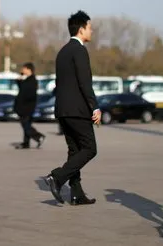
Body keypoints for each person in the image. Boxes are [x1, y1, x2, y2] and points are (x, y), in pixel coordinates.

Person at [44, 11, 101, 205]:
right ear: (82, 28)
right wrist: (95, 107)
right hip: (78, 111)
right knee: (90, 149)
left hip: (63, 110)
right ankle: (57, 177)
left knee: (75, 151)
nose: (92, 31)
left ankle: (76, 194)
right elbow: (85, 83)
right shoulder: (79, 50)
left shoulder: (63, 51)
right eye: (90, 27)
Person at [14, 62, 45, 149]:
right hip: (24, 107)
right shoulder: (27, 80)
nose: (22, 70)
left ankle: (39, 136)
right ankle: (26, 143)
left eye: (24, 69)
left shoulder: (32, 81)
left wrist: (23, 102)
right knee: (26, 125)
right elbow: (21, 88)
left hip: (27, 107)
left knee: (26, 125)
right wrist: (19, 80)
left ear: (29, 69)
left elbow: (29, 95)